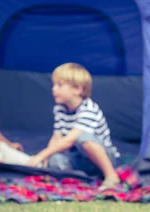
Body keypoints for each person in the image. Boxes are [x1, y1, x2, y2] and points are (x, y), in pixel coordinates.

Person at [26, 63, 121, 191]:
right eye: (54, 85)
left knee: (82, 138)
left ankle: (111, 176)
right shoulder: (59, 109)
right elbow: (57, 137)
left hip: (104, 158)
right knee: (55, 160)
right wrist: (46, 159)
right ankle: (77, 179)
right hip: (80, 159)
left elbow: (71, 139)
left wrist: (41, 155)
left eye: (59, 85)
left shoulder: (89, 109)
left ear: (77, 89)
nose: (53, 89)